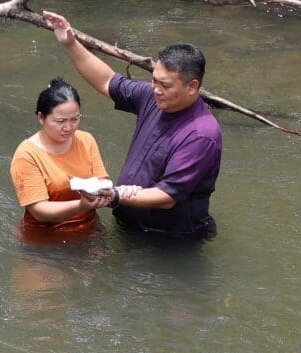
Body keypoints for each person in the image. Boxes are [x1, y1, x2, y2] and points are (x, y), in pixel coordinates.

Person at [42, 11, 222, 239]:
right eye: (154, 80)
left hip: (169, 238)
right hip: (130, 222)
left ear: (192, 87)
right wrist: (70, 43)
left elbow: (167, 196)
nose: (156, 89)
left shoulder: (200, 135)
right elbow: (107, 81)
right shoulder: (153, 98)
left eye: (165, 85)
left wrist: (115, 195)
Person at [10, 77, 131, 246]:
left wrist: (109, 193)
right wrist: (81, 205)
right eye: (60, 121)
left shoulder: (86, 140)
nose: (68, 127)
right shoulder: (27, 154)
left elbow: (101, 180)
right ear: (41, 117)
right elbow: (39, 211)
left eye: (75, 119)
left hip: (90, 230)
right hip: (44, 239)